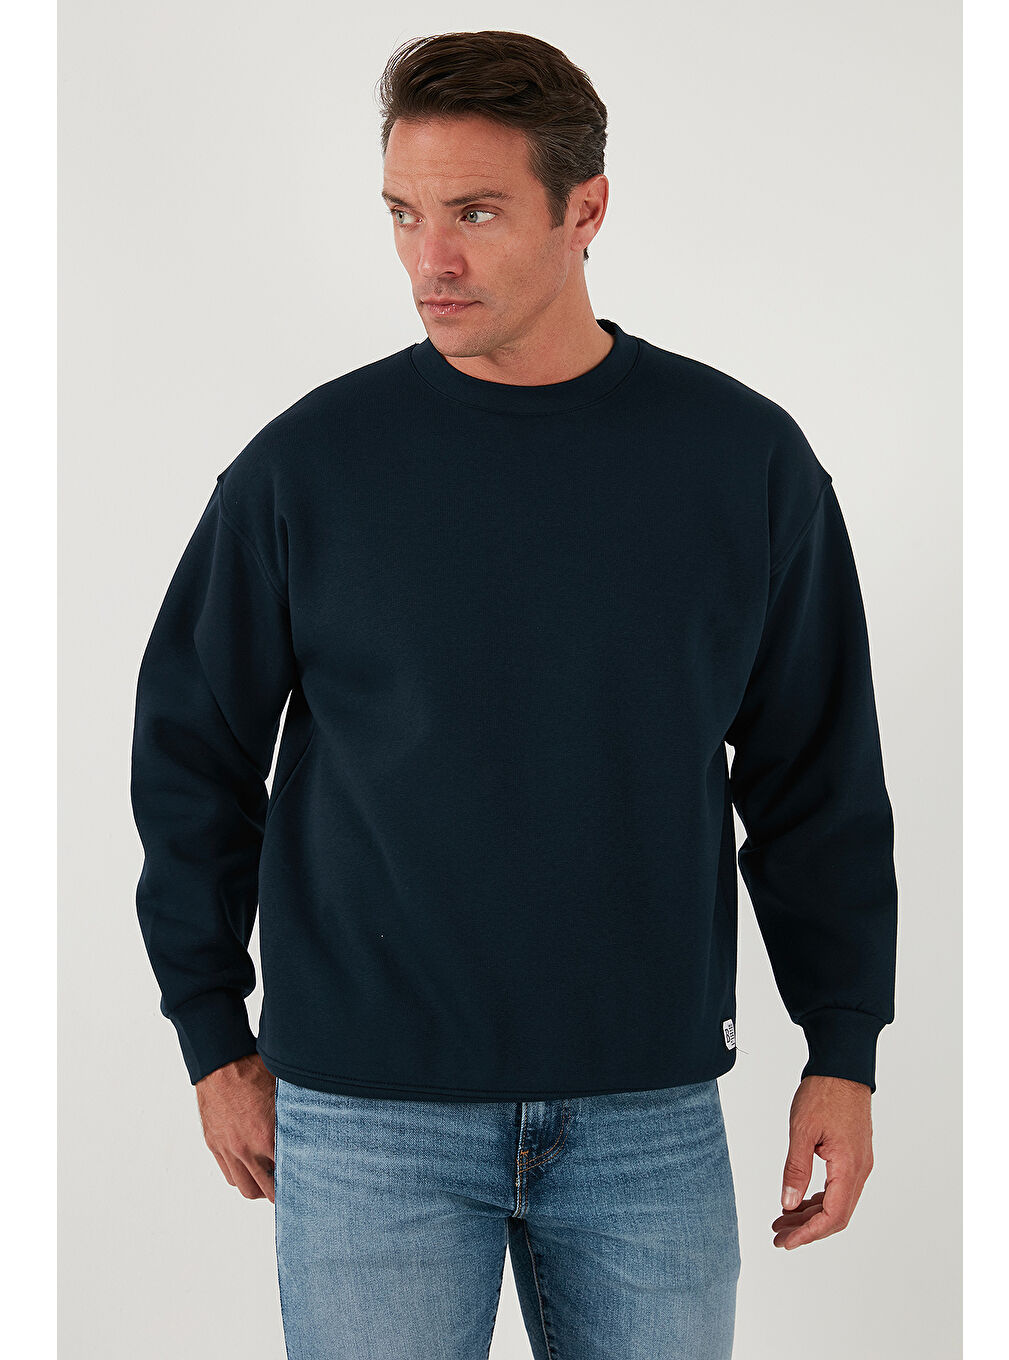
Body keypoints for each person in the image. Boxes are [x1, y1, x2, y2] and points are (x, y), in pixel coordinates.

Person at [129, 29, 897, 1360]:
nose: (430, 259)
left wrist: (843, 1046)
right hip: (367, 1115)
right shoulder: (308, 469)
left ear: (584, 209)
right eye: (404, 214)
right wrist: (210, 1032)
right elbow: (191, 754)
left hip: (646, 1116)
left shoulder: (742, 463)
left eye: (474, 214)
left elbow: (816, 779)